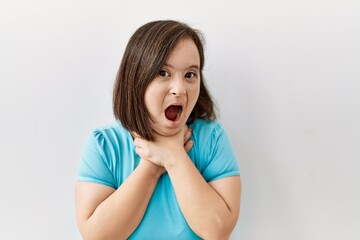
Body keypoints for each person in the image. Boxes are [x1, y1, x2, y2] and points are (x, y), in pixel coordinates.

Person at [75, 20, 242, 240]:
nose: (180, 90)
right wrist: (151, 166)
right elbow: (97, 236)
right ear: (136, 78)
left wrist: (174, 157)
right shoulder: (104, 144)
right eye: (163, 73)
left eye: (190, 75)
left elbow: (217, 231)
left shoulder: (212, 139)